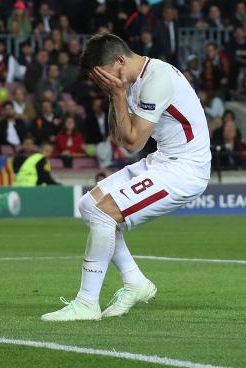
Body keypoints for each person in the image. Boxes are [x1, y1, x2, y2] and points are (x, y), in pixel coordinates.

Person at [41, 33, 211, 321]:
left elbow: (133, 144)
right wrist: (114, 94)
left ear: (120, 61)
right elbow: (118, 136)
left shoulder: (157, 79)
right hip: (163, 160)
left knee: (105, 214)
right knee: (89, 206)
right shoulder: (129, 82)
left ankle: (87, 303)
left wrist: (118, 95)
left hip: (185, 168)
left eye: (104, 78)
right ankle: (135, 282)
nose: (103, 84)